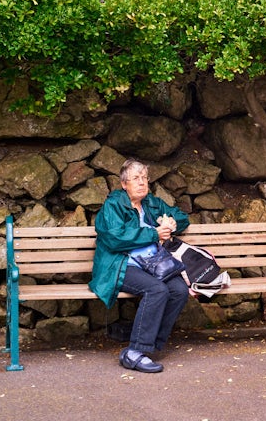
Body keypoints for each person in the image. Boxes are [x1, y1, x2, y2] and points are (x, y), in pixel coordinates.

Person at [89, 158, 190, 373]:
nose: (142, 182)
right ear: (124, 184)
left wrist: (171, 223)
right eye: (136, 178)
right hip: (120, 265)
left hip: (152, 265)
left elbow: (182, 217)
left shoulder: (152, 203)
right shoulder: (114, 205)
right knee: (157, 290)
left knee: (179, 290)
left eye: (144, 178)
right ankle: (135, 352)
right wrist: (153, 233)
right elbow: (115, 238)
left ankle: (149, 344)